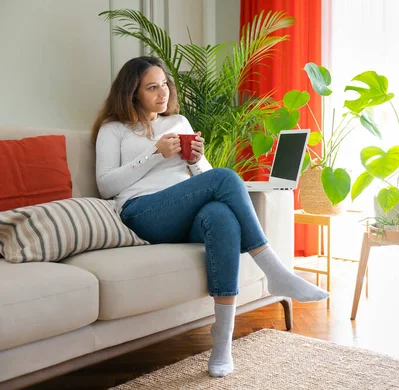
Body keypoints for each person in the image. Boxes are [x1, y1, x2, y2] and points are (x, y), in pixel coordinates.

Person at [91, 56, 328, 378]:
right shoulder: (114, 129)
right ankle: (275, 270)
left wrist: (197, 161)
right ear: (132, 93)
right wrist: (153, 154)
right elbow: (106, 187)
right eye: (151, 87)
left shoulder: (178, 122)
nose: (162, 93)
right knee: (226, 178)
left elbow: (204, 178)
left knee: (220, 217)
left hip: (185, 210)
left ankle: (222, 342)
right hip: (144, 212)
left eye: (164, 84)